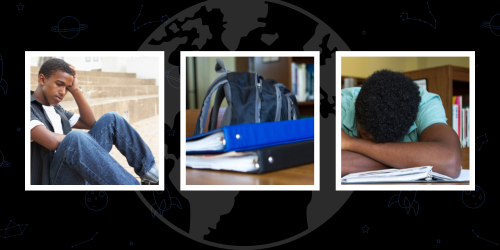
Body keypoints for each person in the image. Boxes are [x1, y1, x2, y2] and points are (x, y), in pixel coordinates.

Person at [30, 58, 158, 185]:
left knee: (111, 119)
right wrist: (83, 145)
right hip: (53, 181)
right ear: (42, 79)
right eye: (59, 84)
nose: (63, 92)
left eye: (67, 88)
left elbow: (89, 122)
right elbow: (50, 140)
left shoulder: (56, 109)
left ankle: (152, 175)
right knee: (75, 138)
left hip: (76, 169)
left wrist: (75, 90)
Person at [341, 69, 462, 178]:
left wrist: (350, 143)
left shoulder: (423, 105)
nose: (374, 145)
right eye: (366, 136)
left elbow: (450, 163)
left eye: (390, 142)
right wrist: (409, 160)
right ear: (356, 107)